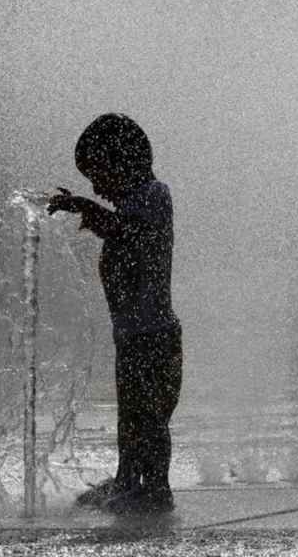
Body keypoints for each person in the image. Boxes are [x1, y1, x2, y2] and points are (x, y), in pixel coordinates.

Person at [48, 113, 182, 514]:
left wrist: (88, 208)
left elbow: (131, 233)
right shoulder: (130, 204)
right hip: (132, 334)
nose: (96, 185)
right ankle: (126, 480)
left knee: (151, 417)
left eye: (98, 174)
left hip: (155, 335)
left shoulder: (155, 195)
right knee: (131, 416)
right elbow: (119, 230)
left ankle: (156, 487)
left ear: (124, 163)